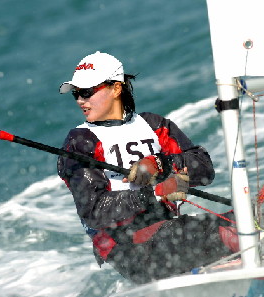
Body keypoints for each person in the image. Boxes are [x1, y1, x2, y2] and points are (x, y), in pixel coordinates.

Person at [56, 51, 234, 284]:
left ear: (116, 89)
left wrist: (160, 164)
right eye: (76, 94)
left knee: (250, 221)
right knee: (216, 233)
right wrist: (155, 193)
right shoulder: (81, 141)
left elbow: (204, 169)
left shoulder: (153, 125)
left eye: (87, 92)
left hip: (172, 231)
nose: (80, 100)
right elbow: (94, 211)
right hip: (128, 247)